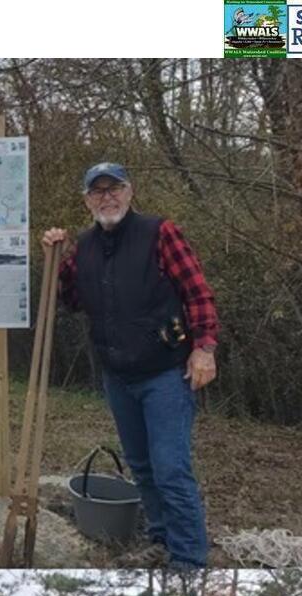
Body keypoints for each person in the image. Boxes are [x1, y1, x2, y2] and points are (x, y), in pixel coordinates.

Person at [42, 163, 219, 569]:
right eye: (98, 191)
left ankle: (189, 560)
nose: (108, 197)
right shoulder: (84, 248)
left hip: (166, 373)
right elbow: (68, 298)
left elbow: (198, 293)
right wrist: (54, 255)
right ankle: (159, 537)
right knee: (140, 464)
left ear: (129, 192)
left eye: (114, 188)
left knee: (171, 467)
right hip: (118, 376)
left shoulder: (160, 233)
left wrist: (204, 347)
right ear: (87, 200)